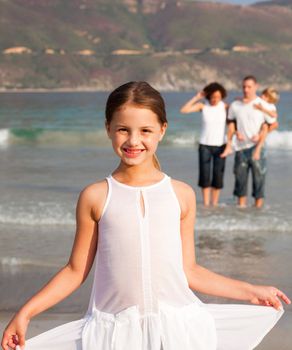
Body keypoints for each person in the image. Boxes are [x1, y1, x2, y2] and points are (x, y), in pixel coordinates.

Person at [2, 81, 290, 350]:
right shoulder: (96, 196)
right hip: (115, 335)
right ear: (108, 128)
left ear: (162, 130)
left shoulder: (181, 194)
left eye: (145, 131)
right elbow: (75, 271)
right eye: (123, 129)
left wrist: (250, 291)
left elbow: (189, 271)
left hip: (177, 331)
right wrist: (26, 313)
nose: (133, 140)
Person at [221, 76, 276, 208]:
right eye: (244, 86)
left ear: (256, 87)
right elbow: (230, 123)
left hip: (258, 148)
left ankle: (257, 213)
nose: (246, 89)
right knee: (240, 181)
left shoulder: (262, 104)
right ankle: (242, 212)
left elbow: (273, 124)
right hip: (240, 148)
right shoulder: (235, 105)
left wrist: (261, 135)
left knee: (259, 180)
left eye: (249, 87)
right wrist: (235, 133)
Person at [180, 82, 228, 207]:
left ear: (222, 96)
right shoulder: (203, 106)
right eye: (213, 96)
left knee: (218, 175)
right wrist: (197, 97)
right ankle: (206, 204)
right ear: (208, 96)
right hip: (204, 145)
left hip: (221, 145)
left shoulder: (225, 107)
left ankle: (215, 203)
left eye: (218, 96)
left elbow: (236, 120)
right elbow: (184, 110)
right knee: (205, 175)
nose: (215, 99)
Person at [252, 87, 279, 161]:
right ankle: (258, 138)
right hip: (264, 122)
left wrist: (262, 109)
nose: (262, 96)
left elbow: (274, 115)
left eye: (265, 95)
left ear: (270, 98)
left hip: (269, 122)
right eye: (263, 94)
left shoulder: (271, 105)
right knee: (264, 127)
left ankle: (258, 148)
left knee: (268, 126)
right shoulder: (259, 101)